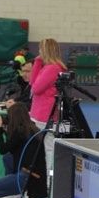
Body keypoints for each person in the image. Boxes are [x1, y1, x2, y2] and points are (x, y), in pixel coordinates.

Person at [0, 102, 47, 198]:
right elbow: (12, 148)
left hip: (26, 176)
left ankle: (22, 191)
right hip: (36, 174)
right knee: (7, 157)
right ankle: (18, 192)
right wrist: (6, 130)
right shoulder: (32, 128)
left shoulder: (19, 132)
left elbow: (2, 149)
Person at [30, 38, 67, 173]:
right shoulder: (50, 67)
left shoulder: (52, 68)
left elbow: (36, 88)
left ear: (46, 50)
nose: (39, 52)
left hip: (45, 115)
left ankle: (50, 180)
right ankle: (47, 179)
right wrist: (38, 62)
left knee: (49, 150)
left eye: (41, 49)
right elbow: (32, 83)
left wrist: (37, 63)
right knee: (46, 149)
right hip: (42, 114)